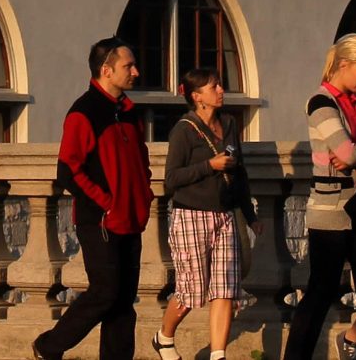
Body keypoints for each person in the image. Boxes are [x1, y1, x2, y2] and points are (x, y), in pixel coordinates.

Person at [37, 38, 153, 360]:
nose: (136, 71)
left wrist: (145, 194)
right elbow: (67, 172)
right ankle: (48, 347)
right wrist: (107, 201)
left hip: (131, 218)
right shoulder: (83, 112)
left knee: (124, 302)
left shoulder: (129, 112)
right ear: (106, 70)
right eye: (128, 66)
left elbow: (141, 159)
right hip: (99, 221)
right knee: (105, 293)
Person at [285, 34, 356, 360]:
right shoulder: (320, 102)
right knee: (321, 293)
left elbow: (355, 153)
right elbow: (347, 153)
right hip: (331, 212)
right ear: (343, 64)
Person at [159, 67, 251, 360]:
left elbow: (241, 172)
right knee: (191, 292)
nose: (221, 90)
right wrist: (209, 166)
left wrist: (250, 215)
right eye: (214, 87)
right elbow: (171, 179)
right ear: (197, 97)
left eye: (220, 85)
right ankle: (164, 337)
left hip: (224, 216)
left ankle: (217, 355)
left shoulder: (229, 123)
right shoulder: (184, 130)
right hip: (190, 216)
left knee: (225, 289)